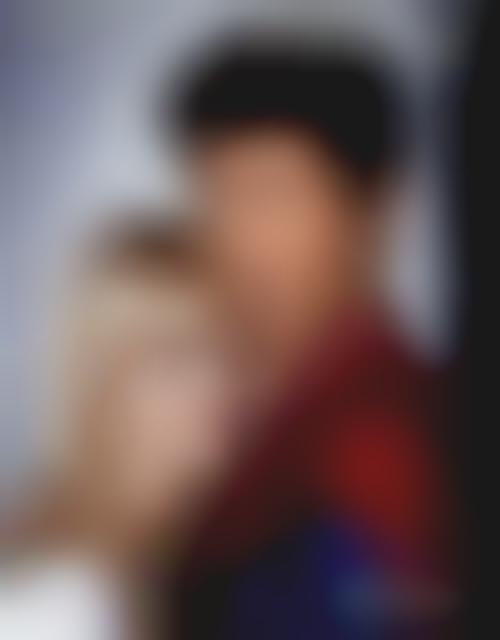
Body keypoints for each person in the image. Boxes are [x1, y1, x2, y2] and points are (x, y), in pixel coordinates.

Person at [162, 35, 457, 638]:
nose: (237, 243)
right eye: (215, 199)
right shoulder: (233, 422)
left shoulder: (384, 442)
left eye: (272, 198)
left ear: (377, 212)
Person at [0, 215, 239, 640]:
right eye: (177, 357)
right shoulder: (57, 603)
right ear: (104, 387)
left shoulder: (153, 569)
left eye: (230, 353)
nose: (221, 389)